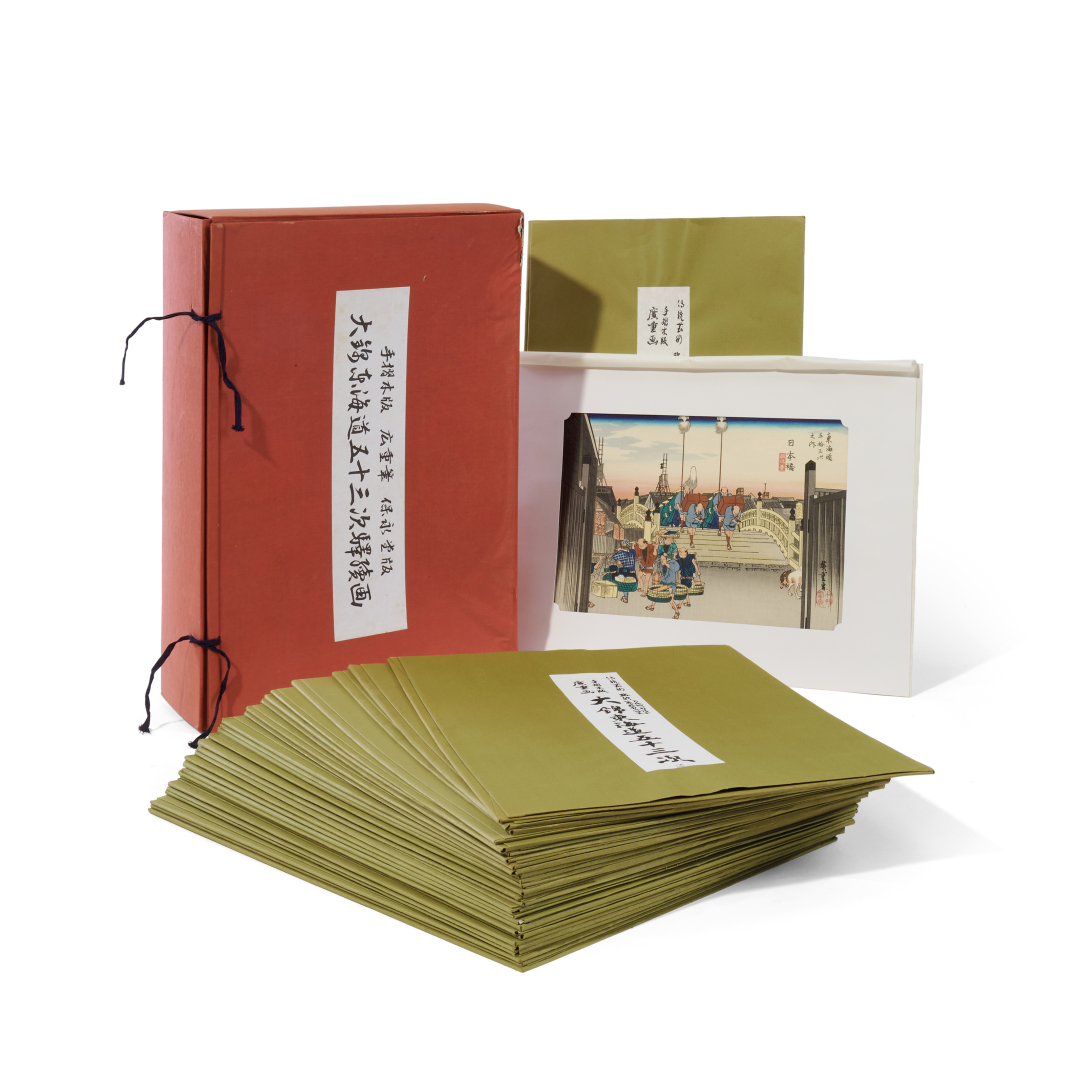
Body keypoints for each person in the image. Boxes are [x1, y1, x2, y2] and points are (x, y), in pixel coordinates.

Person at [657, 550, 682, 618]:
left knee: (671, 600)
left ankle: (677, 612)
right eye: (661, 558)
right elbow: (659, 568)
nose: (662, 560)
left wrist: (666, 564)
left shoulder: (673, 562)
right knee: (656, 593)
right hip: (663, 583)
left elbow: (675, 568)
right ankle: (652, 605)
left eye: (664, 558)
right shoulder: (660, 564)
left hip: (671, 585)